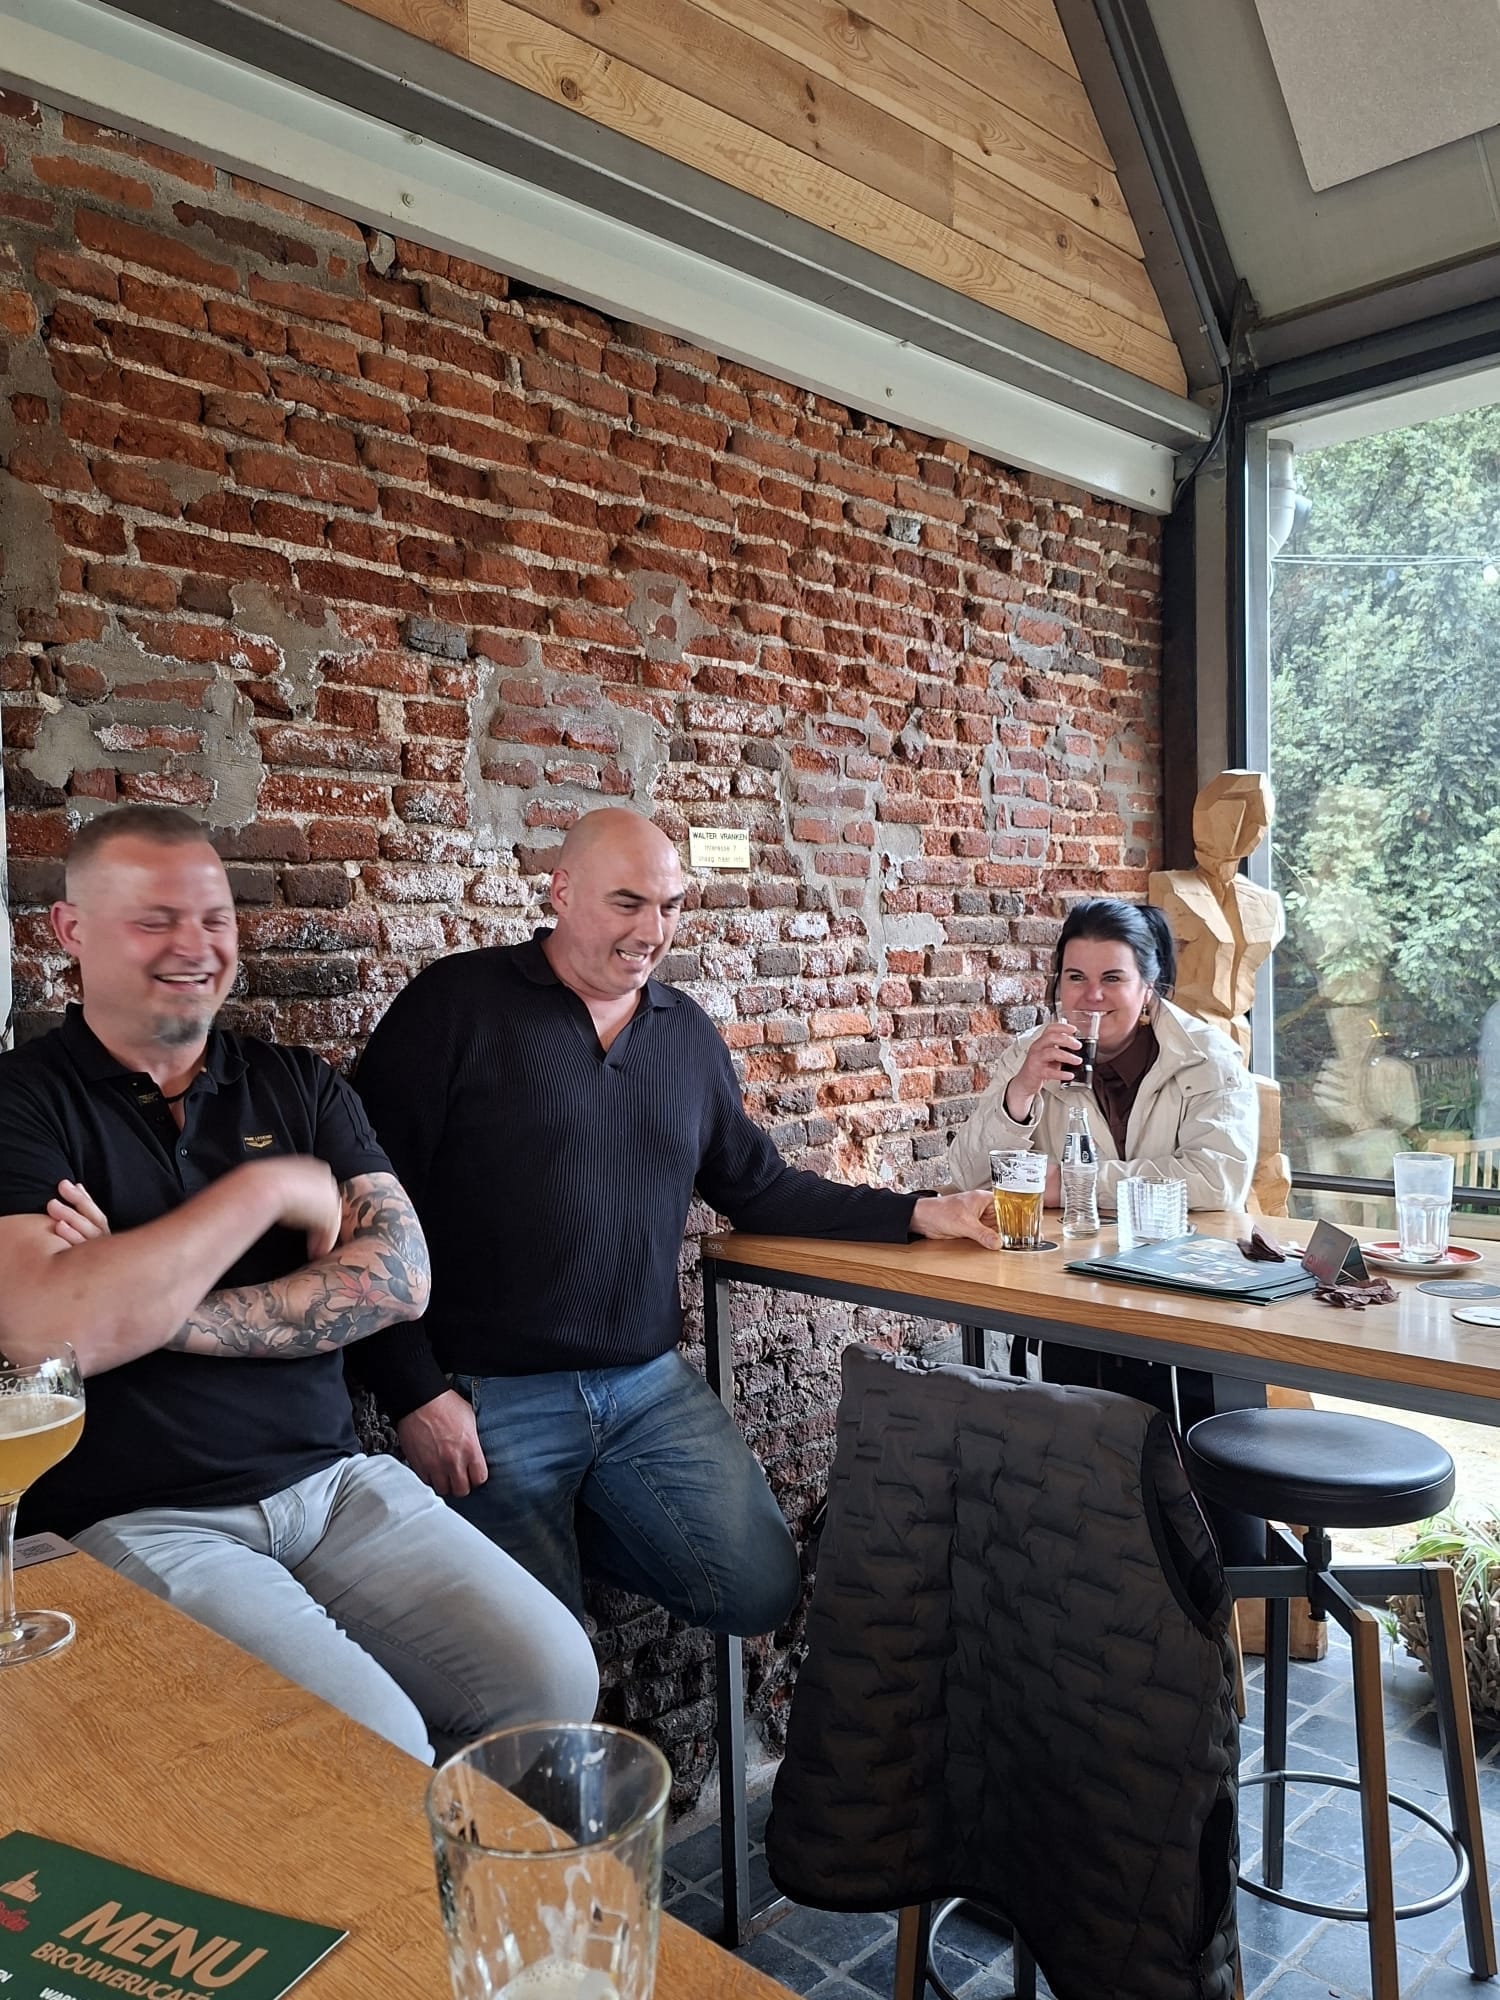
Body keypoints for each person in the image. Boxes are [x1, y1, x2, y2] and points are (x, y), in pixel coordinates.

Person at [0, 805, 598, 1761]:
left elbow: (400, 1279)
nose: (194, 946)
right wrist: (264, 1192)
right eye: (154, 919)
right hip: (143, 1518)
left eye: (215, 918)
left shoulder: (296, 1083)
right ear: (71, 929)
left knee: (556, 1677)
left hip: (336, 1484)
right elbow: (42, 1334)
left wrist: (139, 1297)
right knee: (375, 1744)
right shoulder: (21, 1101)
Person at [351, 806, 997, 1632]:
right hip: (487, 1396)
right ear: (561, 892)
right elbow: (360, 1211)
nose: (652, 931)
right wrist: (413, 1393)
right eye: (627, 903)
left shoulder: (684, 1033)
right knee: (541, 1668)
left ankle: (558, 1535)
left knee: (759, 1587)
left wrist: (917, 1212)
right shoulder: (454, 1006)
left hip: (645, 1385)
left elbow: (757, 1188)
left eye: (671, 906)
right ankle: (535, 1554)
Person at [946, 897, 1261, 1561]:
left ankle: (1207, 1597)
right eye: (1075, 977)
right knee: (1083, 1494)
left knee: (1192, 1515)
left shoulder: (1206, 1057)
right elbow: (967, 1179)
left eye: (1112, 978)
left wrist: (1069, 1185)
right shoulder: (1032, 1055)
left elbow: (1215, 1180)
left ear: (1149, 987)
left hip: (1191, 1310)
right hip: (1078, 1303)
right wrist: (1021, 1091)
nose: (1091, 996)